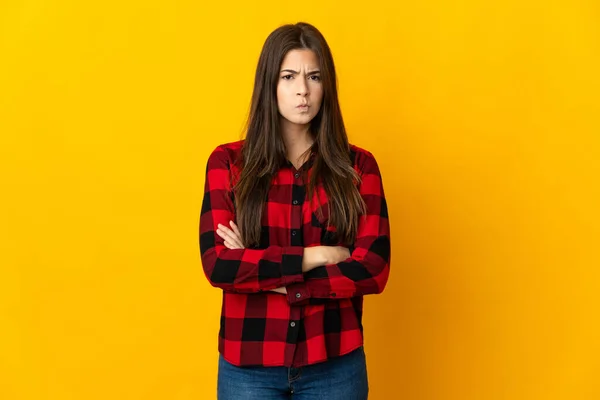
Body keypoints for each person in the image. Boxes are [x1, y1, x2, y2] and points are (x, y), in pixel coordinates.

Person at [199, 22, 391, 399]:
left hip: (334, 362)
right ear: (269, 85)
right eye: (289, 76)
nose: (302, 89)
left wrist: (266, 275)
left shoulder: (359, 168)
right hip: (248, 366)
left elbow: (373, 269)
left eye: (314, 76)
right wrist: (317, 256)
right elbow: (219, 265)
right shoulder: (228, 164)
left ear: (327, 87)